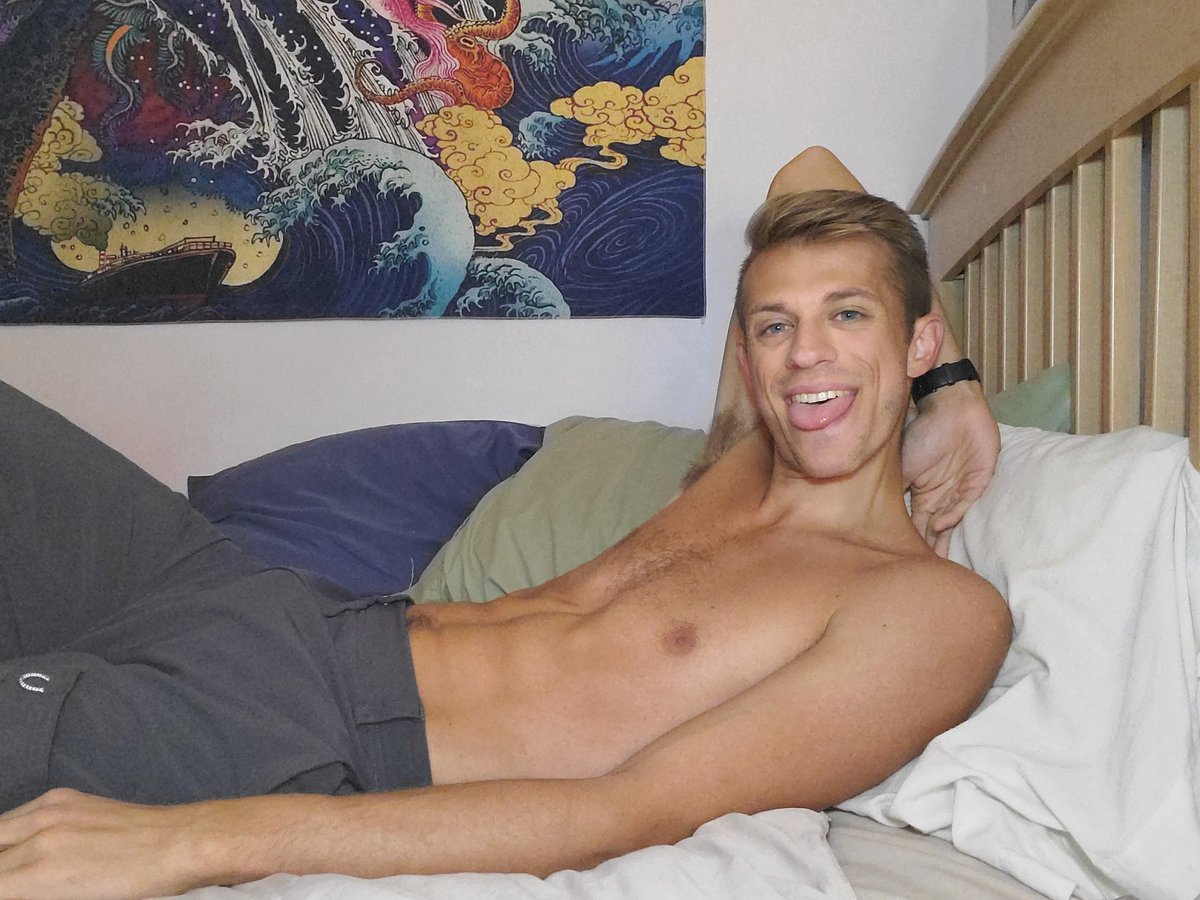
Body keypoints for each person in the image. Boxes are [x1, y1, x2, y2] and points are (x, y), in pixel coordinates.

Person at [0, 148, 1011, 898]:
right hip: (262, 599)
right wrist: (952, 386)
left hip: (313, 729)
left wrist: (191, 842)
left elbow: (631, 812)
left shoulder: (927, 610)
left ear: (914, 337)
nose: (809, 354)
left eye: (850, 315)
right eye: (778, 326)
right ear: (749, 356)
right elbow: (809, 175)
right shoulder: (750, 455)